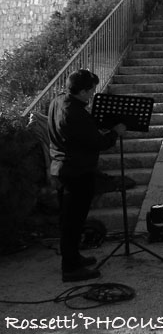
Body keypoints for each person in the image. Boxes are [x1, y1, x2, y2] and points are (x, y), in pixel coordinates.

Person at [47, 68, 126, 282]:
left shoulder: (58, 102)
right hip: (76, 171)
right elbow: (97, 143)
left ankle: (73, 257)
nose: (92, 94)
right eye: (91, 90)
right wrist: (114, 133)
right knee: (73, 220)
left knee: (70, 219)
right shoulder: (75, 113)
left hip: (61, 168)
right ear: (82, 91)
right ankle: (70, 268)